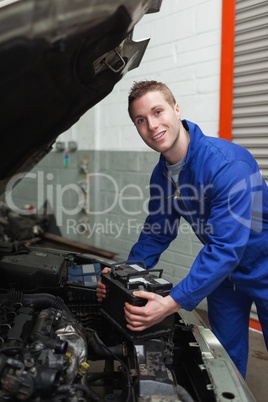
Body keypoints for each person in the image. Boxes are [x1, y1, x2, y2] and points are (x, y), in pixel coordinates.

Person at [97, 80, 268, 378]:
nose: (152, 125)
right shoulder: (162, 175)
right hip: (225, 277)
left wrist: (170, 303)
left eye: (158, 111)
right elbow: (156, 233)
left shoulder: (227, 165)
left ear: (177, 110)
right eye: (141, 120)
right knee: (224, 360)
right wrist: (122, 276)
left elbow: (227, 247)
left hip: (263, 266)